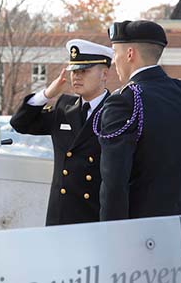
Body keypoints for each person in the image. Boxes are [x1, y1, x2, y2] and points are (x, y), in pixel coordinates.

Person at [94, 20, 181, 221]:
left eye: (115, 53)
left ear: (130, 54)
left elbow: (114, 183)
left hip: (140, 228)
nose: (115, 61)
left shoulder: (124, 100)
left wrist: (110, 233)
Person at [10, 39, 113, 226]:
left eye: (84, 71)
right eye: (74, 71)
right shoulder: (65, 107)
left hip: (96, 216)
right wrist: (48, 94)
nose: (77, 77)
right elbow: (20, 124)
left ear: (104, 74)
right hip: (60, 215)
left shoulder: (117, 111)